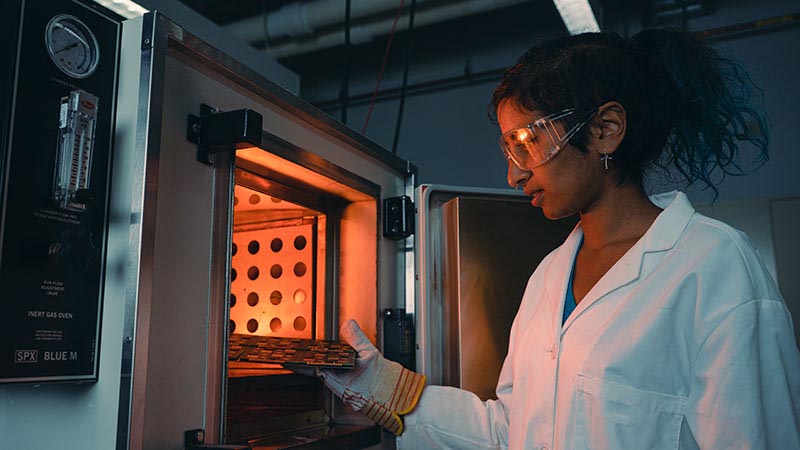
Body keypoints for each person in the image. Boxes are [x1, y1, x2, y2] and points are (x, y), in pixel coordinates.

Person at [307, 28, 800, 449]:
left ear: (606, 129)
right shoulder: (548, 277)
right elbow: (510, 432)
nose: (512, 176)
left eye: (528, 143)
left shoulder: (714, 265)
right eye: (509, 149)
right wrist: (386, 387)